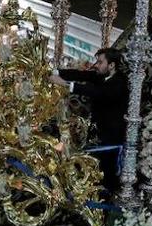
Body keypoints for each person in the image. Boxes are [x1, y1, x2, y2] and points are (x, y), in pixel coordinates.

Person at [51, 47, 129, 188]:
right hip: (97, 131)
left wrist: (65, 84)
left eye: (100, 62)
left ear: (111, 65)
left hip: (110, 137)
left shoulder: (119, 82)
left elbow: (98, 92)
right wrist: (56, 72)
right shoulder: (102, 75)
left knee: (106, 173)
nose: (96, 65)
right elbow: (82, 75)